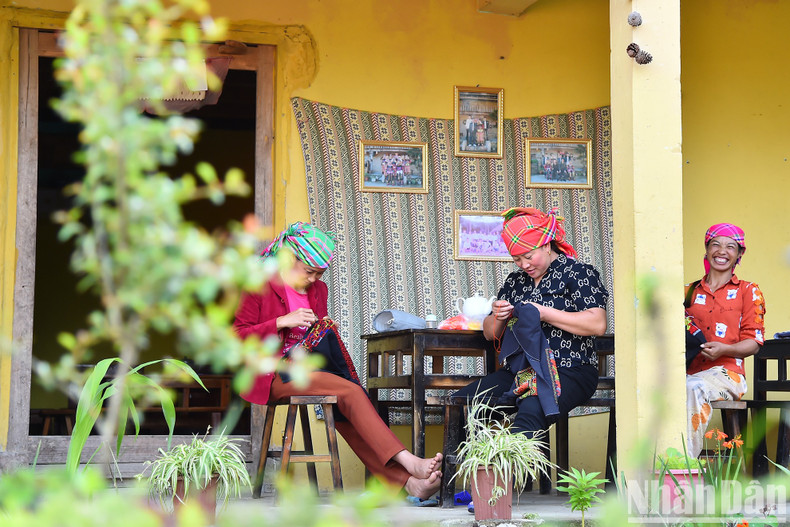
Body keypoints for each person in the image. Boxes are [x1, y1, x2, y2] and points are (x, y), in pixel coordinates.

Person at [234, 221, 442, 499]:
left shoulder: (318, 290)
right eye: (309, 272)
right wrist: (281, 321)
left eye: (319, 274)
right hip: (272, 375)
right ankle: (409, 462)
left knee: (347, 406)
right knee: (352, 392)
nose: (313, 280)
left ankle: (407, 483)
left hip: (306, 369)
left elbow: (314, 336)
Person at [452, 207, 609, 436]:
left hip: (569, 369)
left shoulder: (578, 273)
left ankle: (518, 472)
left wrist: (543, 313)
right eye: (517, 259)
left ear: (547, 245)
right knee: (464, 407)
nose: (524, 264)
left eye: (528, 256)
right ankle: (470, 472)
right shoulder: (516, 281)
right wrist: (498, 315)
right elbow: (489, 333)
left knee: (531, 409)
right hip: (521, 372)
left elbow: (597, 324)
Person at [684, 223, 766, 457]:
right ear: (707, 250)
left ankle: (683, 467)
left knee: (693, 387)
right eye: (715, 245)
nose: (722, 251)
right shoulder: (688, 292)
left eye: (731, 247)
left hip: (728, 375)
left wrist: (724, 350)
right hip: (689, 372)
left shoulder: (748, 291)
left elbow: (753, 342)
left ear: (739, 254)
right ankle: (655, 465)